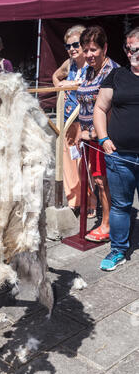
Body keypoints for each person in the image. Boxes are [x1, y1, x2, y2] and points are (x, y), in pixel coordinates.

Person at [93, 27, 139, 270]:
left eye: (137, 48)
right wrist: (103, 139)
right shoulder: (117, 76)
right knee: (121, 206)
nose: (132, 53)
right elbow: (100, 108)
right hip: (119, 155)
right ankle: (118, 250)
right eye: (129, 48)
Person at [76, 25, 119, 243]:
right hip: (88, 137)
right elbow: (83, 103)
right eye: (86, 50)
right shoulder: (89, 70)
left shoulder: (111, 71)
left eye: (93, 49)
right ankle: (105, 219)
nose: (89, 54)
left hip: (104, 137)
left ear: (104, 48)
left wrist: (93, 133)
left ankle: (108, 224)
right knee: (97, 179)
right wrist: (79, 130)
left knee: (104, 181)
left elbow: (110, 109)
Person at [52, 25, 89, 215]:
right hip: (67, 119)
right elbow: (55, 76)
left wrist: (72, 84)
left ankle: (89, 202)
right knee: (67, 161)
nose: (72, 49)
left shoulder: (91, 64)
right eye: (68, 46)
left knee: (85, 163)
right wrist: (61, 86)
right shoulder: (69, 64)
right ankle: (74, 201)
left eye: (76, 44)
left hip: (84, 120)